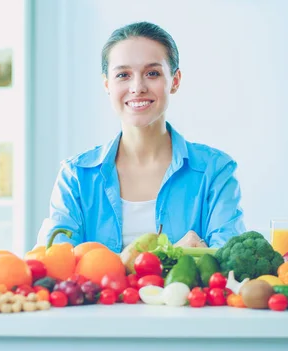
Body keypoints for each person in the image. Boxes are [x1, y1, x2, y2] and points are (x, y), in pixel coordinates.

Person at [36, 21, 245, 253]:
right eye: (123, 75)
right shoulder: (75, 176)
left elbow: (228, 261)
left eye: (152, 73)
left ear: (175, 81)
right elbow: (53, 263)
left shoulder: (215, 171)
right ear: (107, 84)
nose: (137, 87)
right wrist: (165, 254)